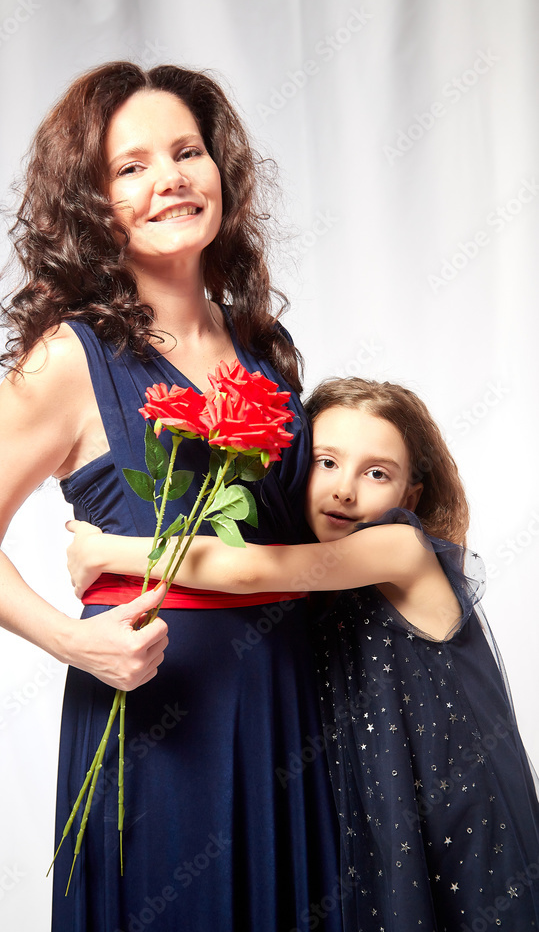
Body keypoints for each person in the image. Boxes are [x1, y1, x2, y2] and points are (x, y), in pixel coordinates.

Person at [0, 61, 343, 932]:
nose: (172, 179)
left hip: (286, 705)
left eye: (187, 152)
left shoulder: (265, 345)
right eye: (132, 166)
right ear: (93, 202)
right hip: (156, 718)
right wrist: (72, 641)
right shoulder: (66, 360)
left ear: (220, 170)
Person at [68, 376, 539, 931]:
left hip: (457, 808)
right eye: (327, 462)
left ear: (410, 496)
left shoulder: (400, 548)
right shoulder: (318, 589)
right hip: (381, 809)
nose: (345, 490)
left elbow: (248, 569)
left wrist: (104, 550)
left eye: (377, 473)